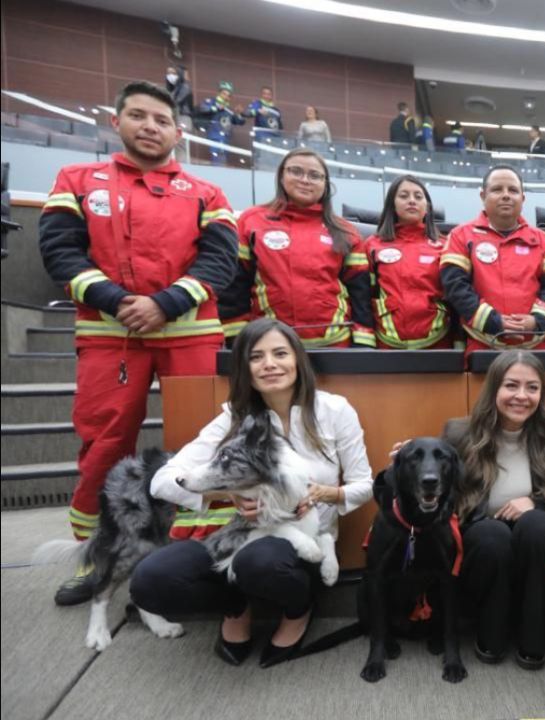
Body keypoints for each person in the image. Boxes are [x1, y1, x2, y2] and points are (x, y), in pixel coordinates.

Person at [38, 80, 238, 605]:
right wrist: (116, 300)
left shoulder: (207, 194)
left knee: (207, 442)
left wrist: (164, 304)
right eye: (138, 116)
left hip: (191, 334)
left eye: (161, 120)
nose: (150, 127)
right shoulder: (78, 180)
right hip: (111, 335)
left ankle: (204, 548)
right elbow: (60, 253)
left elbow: (219, 261)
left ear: (178, 131)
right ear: (117, 122)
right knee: (104, 445)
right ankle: (98, 558)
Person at [130, 318, 374, 668]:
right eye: (256, 357)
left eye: (280, 353)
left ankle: (298, 610)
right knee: (150, 581)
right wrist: (225, 496)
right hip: (236, 536)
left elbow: (364, 485)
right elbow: (163, 481)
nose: (270, 364)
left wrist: (325, 493)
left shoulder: (334, 410)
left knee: (261, 562)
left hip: (303, 544)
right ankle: (236, 607)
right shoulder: (233, 418)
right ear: (244, 367)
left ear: (298, 360)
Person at [441, 350, 545, 670]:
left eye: (532, 388)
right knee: (491, 533)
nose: (521, 396)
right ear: (494, 388)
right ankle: (491, 632)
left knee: (537, 524)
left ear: (542, 393)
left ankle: (533, 635)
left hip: (534, 544)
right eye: (511, 385)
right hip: (482, 543)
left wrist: (534, 503)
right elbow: (443, 492)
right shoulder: (459, 434)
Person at [219, 147, 375, 347]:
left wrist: (362, 342)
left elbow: (361, 294)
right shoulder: (251, 222)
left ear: (325, 184)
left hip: (335, 344)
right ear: (281, 177)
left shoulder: (346, 231)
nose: (305, 180)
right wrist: (237, 341)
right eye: (296, 171)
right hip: (271, 345)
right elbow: (235, 287)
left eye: (314, 175)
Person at [440, 165, 545, 352]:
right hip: (482, 343)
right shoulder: (460, 236)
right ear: (482, 196)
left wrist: (537, 320)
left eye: (513, 190)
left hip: (536, 346)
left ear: (523, 198)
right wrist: (493, 321)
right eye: (497, 189)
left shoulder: (544, 241)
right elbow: (455, 286)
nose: (506, 195)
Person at [365, 175, 451, 349]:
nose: (412, 201)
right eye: (404, 196)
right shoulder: (372, 245)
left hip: (438, 341)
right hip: (386, 342)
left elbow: (453, 297)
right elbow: (365, 295)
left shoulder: (446, 245)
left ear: (427, 207)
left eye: (418, 197)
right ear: (392, 204)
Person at [197, 81, 244, 165]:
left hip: (225, 139)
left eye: (228, 95)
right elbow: (203, 109)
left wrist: (238, 114)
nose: (226, 97)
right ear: (219, 93)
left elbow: (239, 122)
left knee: (222, 160)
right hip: (214, 136)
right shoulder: (212, 102)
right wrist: (217, 108)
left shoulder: (228, 109)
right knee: (216, 159)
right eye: (224, 93)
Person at [163, 66, 194, 131]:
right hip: (175, 115)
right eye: (168, 73)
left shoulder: (184, 87)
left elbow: (177, 101)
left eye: (173, 73)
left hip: (182, 116)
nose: (170, 76)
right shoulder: (173, 88)